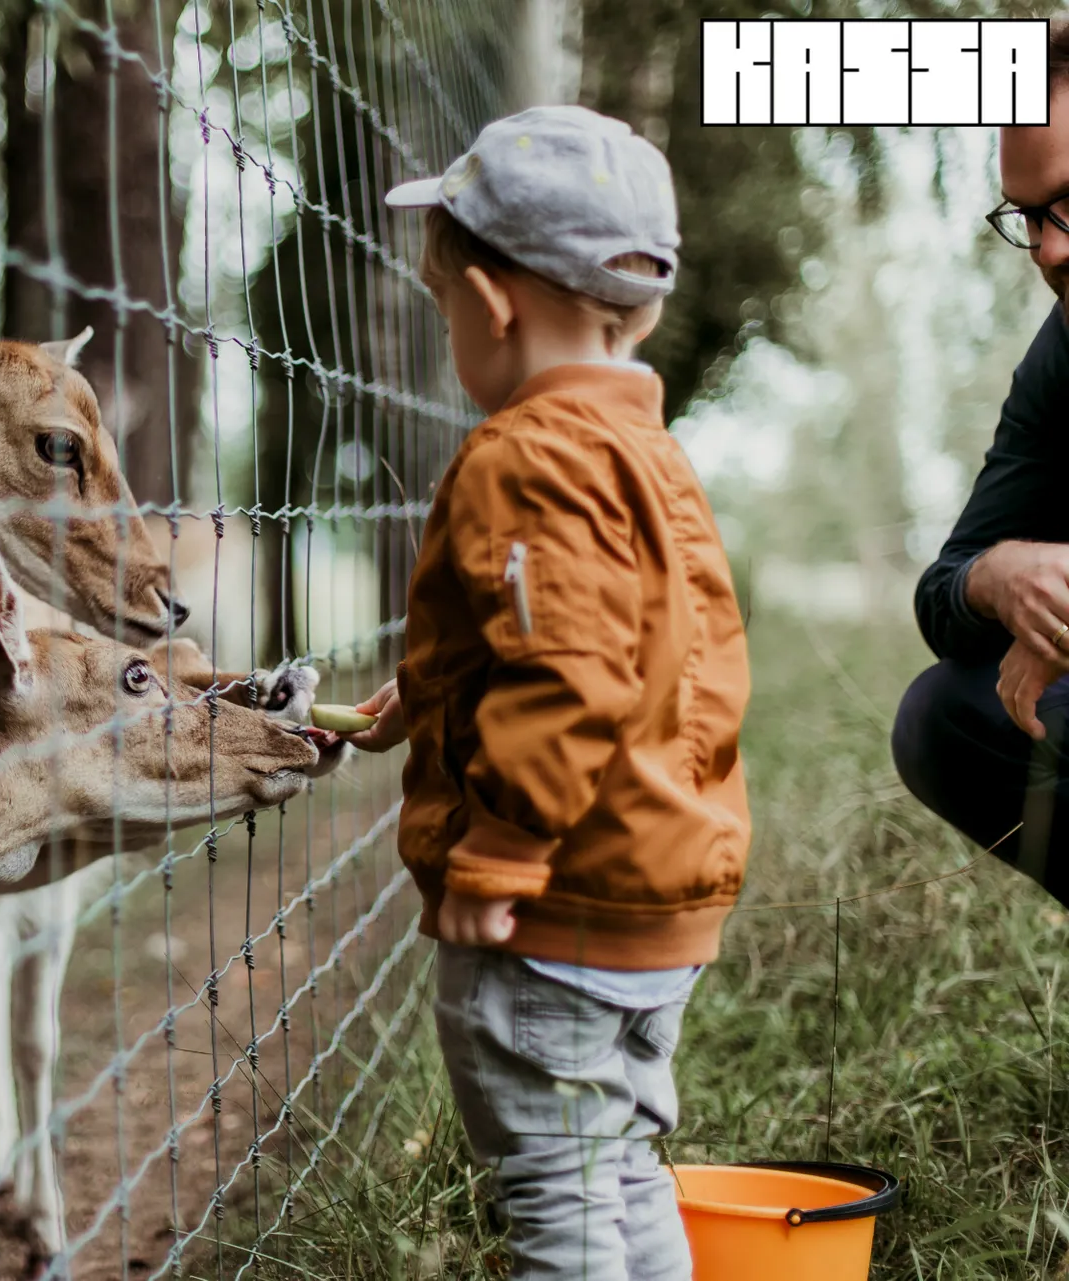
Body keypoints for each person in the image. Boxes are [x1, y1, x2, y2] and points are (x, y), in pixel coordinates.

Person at [344, 105, 751, 1280]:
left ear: (493, 305)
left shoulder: (523, 456)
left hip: (554, 913)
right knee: (621, 1172)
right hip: (652, 901)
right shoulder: (647, 454)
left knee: (559, 1201)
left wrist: (502, 848)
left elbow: (569, 672)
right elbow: (648, 659)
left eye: (443, 306)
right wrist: (430, 699)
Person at [892, 19, 1069, 904]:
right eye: (1029, 218)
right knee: (944, 715)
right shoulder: (1063, 352)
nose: (1049, 251)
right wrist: (1001, 578)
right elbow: (943, 589)